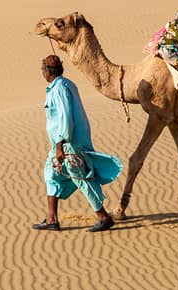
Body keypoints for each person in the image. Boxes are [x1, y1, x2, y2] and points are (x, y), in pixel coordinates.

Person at [35, 54, 123, 232]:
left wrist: (61, 143)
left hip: (68, 145)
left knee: (80, 178)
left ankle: (103, 217)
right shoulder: (65, 84)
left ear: (48, 72)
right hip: (61, 145)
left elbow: (66, 118)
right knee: (50, 175)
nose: (42, 71)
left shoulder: (60, 88)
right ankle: (52, 218)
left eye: (43, 68)